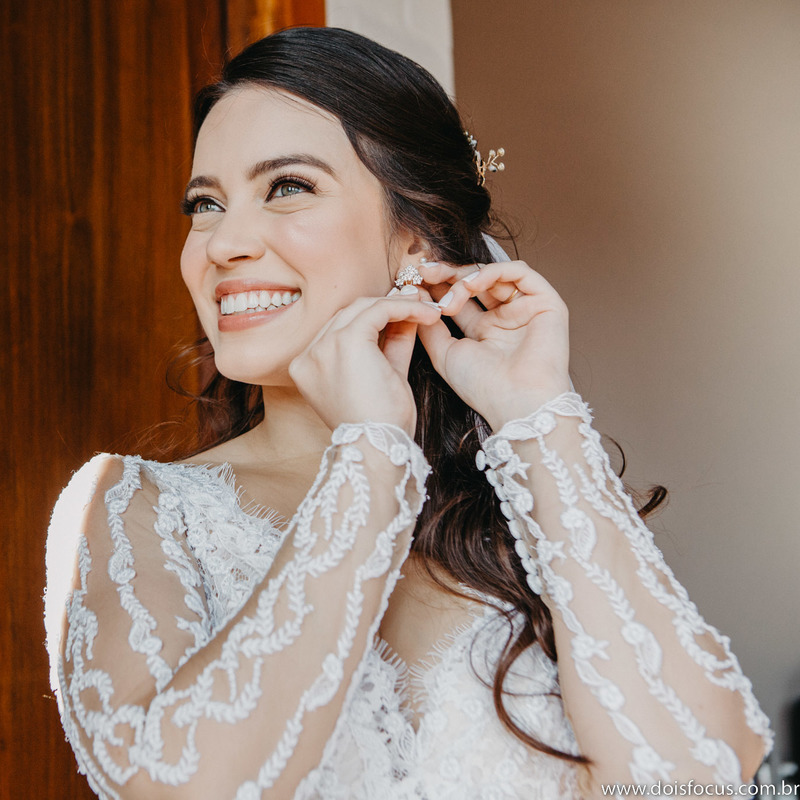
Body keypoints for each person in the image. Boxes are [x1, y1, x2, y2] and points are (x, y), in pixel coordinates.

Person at [43, 27, 772, 799]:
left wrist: (538, 416)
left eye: (287, 186)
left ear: (415, 236)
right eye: (205, 203)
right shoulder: (132, 510)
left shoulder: (520, 522)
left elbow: (702, 776)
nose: (223, 243)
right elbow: (182, 787)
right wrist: (368, 459)